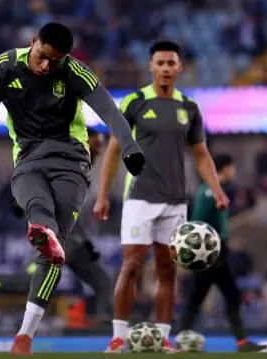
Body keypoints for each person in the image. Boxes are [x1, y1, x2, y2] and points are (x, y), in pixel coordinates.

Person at [0, 22, 144, 355]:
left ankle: (27, 336)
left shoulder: (75, 72)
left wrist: (130, 147)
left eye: (55, 61)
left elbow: (108, 109)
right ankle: (43, 240)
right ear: (33, 42)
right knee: (41, 221)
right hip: (29, 159)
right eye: (43, 57)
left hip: (71, 163)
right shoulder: (2, 69)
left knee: (54, 252)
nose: (47, 67)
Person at [93, 40, 229, 353]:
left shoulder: (189, 108)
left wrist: (218, 190)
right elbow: (113, 151)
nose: (166, 69)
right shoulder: (134, 102)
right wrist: (102, 195)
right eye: (161, 63)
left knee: (168, 271)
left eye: (172, 64)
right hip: (140, 197)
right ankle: (117, 337)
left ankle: (165, 337)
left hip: (175, 201)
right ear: (151, 67)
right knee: (131, 266)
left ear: (180, 68)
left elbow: (201, 154)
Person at [0, 128, 114, 323]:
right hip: (52, 235)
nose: (99, 149)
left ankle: (112, 336)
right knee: (29, 281)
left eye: (100, 146)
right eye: (95, 145)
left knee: (105, 283)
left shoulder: (82, 166)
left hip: (76, 239)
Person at [179, 154, 267, 352]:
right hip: (209, 253)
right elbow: (197, 222)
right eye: (232, 167)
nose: (234, 171)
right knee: (197, 297)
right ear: (224, 169)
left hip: (217, 250)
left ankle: (241, 341)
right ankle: (182, 337)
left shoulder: (214, 190)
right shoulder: (208, 192)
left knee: (229, 295)